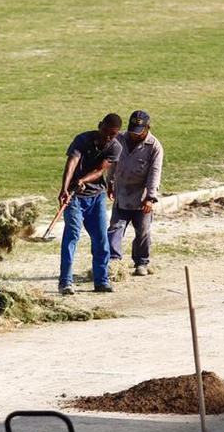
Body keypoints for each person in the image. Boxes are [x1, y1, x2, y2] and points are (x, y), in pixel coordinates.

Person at [58, 114, 123, 296]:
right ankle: (65, 282)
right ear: (99, 125)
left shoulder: (115, 147)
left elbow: (101, 170)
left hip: (96, 197)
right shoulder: (82, 139)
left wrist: (83, 179)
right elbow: (71, 162)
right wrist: (64, 189)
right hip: (74, 198)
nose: (108, 137)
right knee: (71, 237)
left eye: (113, 134)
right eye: (106, 132)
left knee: (101, 239)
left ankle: (101, 281)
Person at [109, 110, 163, 277]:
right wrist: (110, 183)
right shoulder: (119, 140)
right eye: (132, 131)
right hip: (122, 193)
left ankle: (141, 262)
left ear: (147, 128)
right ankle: (113, 262)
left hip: (142, 197)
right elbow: (112, 163)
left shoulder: (154, 147)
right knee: (115, 228)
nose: (134, 135)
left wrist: (150, 198)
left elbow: (155, 173)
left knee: (143, 231)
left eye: (138, 132)